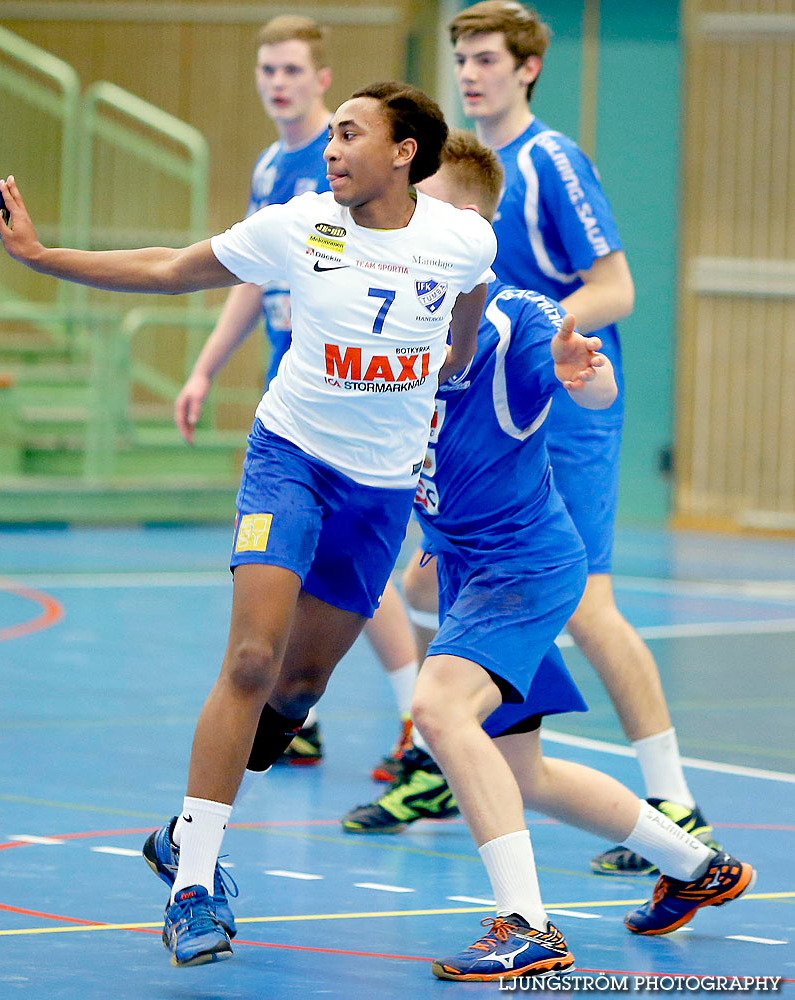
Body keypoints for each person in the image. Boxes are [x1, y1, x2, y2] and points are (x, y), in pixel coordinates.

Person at [0, 81, 496, 968]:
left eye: (349, 134)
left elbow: (470, 307)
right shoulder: (302, 224)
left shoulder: (461, 240)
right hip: (291, 458)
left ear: (405, 151)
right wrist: (41, 256)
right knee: (252, 660)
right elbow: (167, 268)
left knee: (297, 689)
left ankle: (181, 832)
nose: (331, 149)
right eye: (330, 135)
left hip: (379, 491)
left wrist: (445, 376)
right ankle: (194, 885)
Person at [342, 131, 755, 981]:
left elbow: (592, 385)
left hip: (525, 567)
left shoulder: (520, 321)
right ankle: (696, 869)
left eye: (430, 206)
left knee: (441, 709)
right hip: (470, 569)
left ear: (473, 227)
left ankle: (526, 925)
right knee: (520, 771)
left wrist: (585, 374)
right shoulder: (395, 317)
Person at [367, 0, 717, 874]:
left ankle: (675, 795)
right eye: (462, 57)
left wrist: (539, 340)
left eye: (487, 58)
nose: (471, 72)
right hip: (481, 401)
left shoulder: (549, 161)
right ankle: (458, 738)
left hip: (554, 394)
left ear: (526, 68)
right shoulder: (448, 166)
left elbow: (620, 285)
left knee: (588, 601)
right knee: (429, 576)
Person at [170, 15, 422, 775]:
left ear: (319, 80)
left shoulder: (348, 168)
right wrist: (206, 366)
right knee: (292, 576)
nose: (276, 83)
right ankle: (294, 714)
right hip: (300, 403)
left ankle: (421, 722)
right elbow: (254, 272)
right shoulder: (269, 168)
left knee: (357, 578)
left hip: (366, 405)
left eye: (290, 71)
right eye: (266, 70)